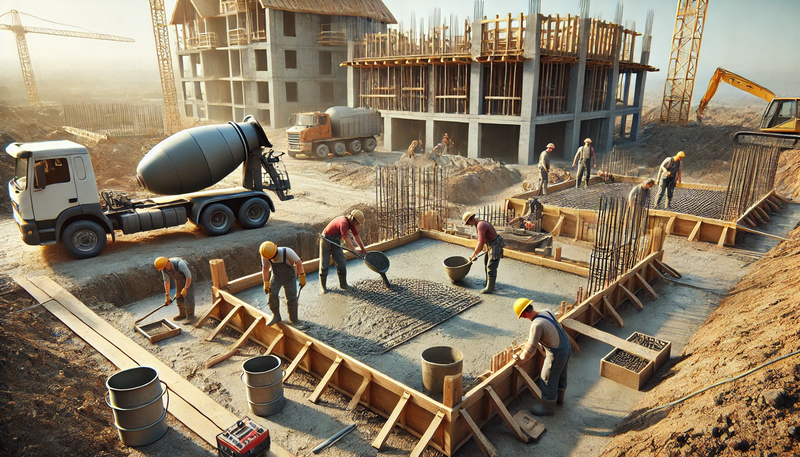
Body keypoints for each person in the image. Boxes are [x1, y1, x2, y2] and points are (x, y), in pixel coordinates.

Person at [512, 298, 571, 416]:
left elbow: (530, 350)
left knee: (547, 378)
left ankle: (548, 408)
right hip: (566, 347)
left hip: (556, 353)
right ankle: (559, 399)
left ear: (523, 315)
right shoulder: (547, 311)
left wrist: (519, 359)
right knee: (560, 374)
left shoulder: (536, 324)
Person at [319, 209, 367, 293]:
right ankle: (323, 287)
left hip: (335, 240)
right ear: (353, 219)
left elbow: (357, 236)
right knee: (324, 264)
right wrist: (355, 250)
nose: (358, 225)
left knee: (341, 262)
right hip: (326, 240)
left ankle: (343, 285)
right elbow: (347, 242)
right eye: (357, 223)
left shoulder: (351, 223)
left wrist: (363, 249)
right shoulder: (344, 223)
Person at [260, 241, 306, 326]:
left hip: (289, 277)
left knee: (291, 297)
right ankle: (276, 315)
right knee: (272, 294)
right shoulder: (266, 255)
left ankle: (293, 319)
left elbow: (298, 262)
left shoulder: (288, 252)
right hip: (276, 276)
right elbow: (265, 268)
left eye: (275, 257)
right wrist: (266, 282)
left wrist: (302, 276)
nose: (274, 259)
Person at [463, 212, 504, 294]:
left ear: (472, 219)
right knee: (486, 263)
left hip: (495, 245)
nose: (469, 224)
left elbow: (480, 242)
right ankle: (488, 282)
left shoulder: (480, 225)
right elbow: (484, 240)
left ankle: (490, 288)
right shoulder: (479, 224)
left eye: (468, 222)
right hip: (490, 245)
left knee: (491, 266)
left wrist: (474, 254)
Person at [154, 256, 194, 323]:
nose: (165, 270)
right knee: (178, 295)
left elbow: (188, 277)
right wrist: (167, 296)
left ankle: (191, 317)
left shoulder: (181, 264)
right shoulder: (164, 269)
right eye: (163, 269)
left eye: (165, 268)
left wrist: (185, 288)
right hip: (178, 278)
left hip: (188, 276)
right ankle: (182, 314)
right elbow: (166, 282)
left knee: (188, 295)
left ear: (168, 262)